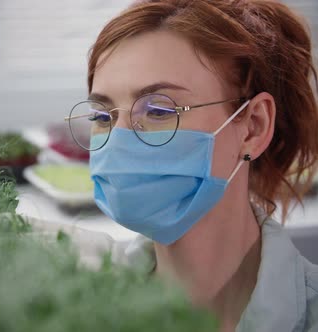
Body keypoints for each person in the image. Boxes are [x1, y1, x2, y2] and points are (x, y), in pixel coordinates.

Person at [64, 0, 318, 331]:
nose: (118, 140)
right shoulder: (78, 306)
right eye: (102, 116)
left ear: (253, 127)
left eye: (159, 111)